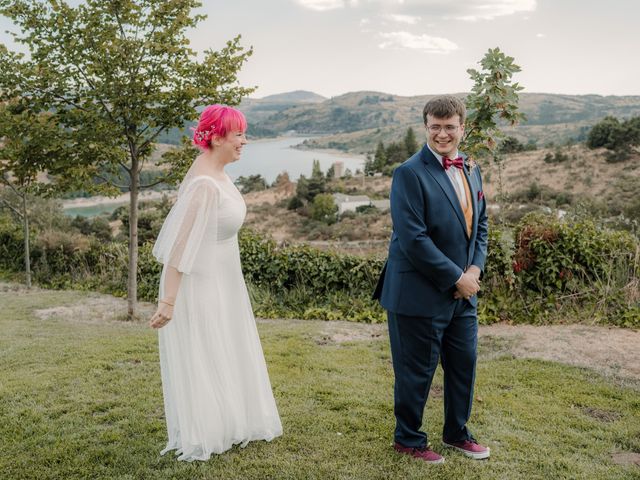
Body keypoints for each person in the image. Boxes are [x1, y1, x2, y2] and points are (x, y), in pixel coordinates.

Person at [149, 104, 282, 461]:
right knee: (208, 351)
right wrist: (168, 301)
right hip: (203, 285)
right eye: (238, 134)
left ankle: (229, 421)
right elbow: (178, 248)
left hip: (225, 280)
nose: (244, 141)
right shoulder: (204, 186)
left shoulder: (218, 172)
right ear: (217, 137)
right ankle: (208, 430)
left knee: (225, 346)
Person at [373, 95, 489, 464]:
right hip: (417, 292)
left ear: (462, 128)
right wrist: (456, 276)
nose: (442, 134)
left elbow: (481, 226)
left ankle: (457, 433)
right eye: (435, 127)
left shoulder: (471, 167)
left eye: (449, 127)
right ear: (426, 127)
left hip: (463, 293)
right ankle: (408, 438)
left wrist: (473, 271)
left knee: (463, 365)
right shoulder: (408, 172)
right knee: (415, 371)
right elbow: (413, 238)